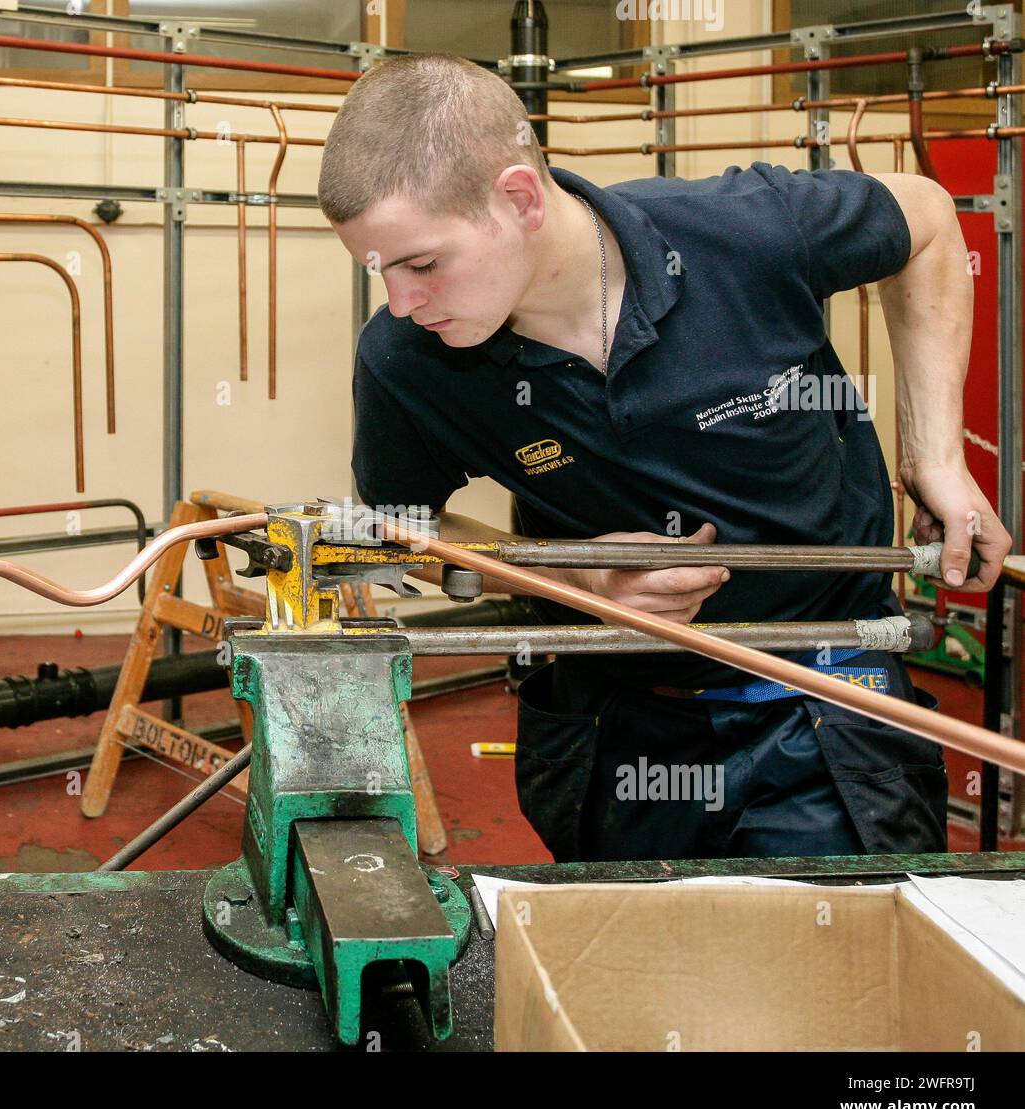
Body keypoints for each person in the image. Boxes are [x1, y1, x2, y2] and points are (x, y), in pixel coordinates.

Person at [316, 53, 1011, 862]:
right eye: (379, 270)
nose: (402, 302)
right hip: (616, 718)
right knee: (631, 972)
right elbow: (400, 529)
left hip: (823, 699)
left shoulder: (745, 232)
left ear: (519, 198)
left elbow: (924, 216)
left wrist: (936, 453)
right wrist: (570, 573)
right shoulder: (407, 360)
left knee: (843, 961)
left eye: (423, 263)